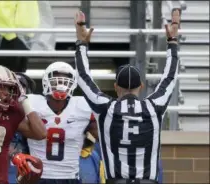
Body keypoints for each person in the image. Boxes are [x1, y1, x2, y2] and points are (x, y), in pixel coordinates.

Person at [74, 9, 180, 184]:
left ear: (115, 87)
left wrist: (81, 43)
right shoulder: (153, 107)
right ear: (141, 86)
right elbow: (170, 78)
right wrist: (173, 42)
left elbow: (83, 77)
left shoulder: (106, 108)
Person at [21, 61, 98, 183]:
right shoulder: (31, 103)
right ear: (46, 81)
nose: (61, 84)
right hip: (37, 176)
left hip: (70, 177)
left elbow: (104, 138)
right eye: (57, 80)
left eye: (64, 80)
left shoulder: (83, 106)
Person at [8, 72, 35, 184]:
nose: (16, 91)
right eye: (12, 87)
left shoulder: (35, 115)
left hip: (28, 167)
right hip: (4, 167)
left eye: (21, 87)